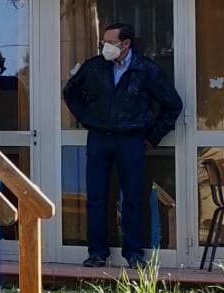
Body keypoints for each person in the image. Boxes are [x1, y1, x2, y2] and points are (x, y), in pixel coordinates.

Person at [62, 22, 182, 269]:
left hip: (131, 139)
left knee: (133, 197)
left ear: (125, 44)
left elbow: (173, 105)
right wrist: (89, 119)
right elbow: (71, 92)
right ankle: (97, 252)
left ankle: (134, 253)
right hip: (99, 138)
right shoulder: (94, 66)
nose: (105, 47)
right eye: (103, 42)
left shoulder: (145, 69)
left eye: (110, 42)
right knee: (96, 197)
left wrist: (152, 137)